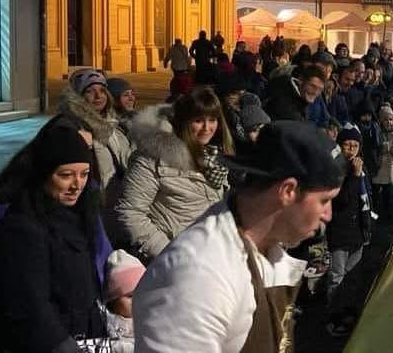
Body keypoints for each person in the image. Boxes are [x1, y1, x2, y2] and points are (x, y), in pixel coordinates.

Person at [132, 121, 343, 352]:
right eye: (324, 201)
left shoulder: (268, 248)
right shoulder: (199, 276)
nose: (328, 215)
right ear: (288, 191)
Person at [0, 117, 109, 351]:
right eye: (66, 175)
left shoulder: (78, 215)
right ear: (43, 173)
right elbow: (29, 306)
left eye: (84, 174)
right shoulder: (22, 227)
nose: (77, 184)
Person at [114, 88, 234, 263]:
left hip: (210, 255)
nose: (207, 128)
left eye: (213, 120)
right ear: (184, 121)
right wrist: (171, 254)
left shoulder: (212, 154)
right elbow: (130, 213)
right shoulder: (151, 158)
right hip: (175, 261)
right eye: (199, 121)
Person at [325, 127, 373, 337]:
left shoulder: (362, 170)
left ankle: (347, 311)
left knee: (351, 277)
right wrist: (353, 177)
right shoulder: (335, 170)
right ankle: (332, 317)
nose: (352, 149)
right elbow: (341, 202)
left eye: (356, 145)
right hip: (339, 234)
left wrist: (368, 227)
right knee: (337, 278)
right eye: (347, 144)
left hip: (357, 233)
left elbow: (367, 200)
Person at [59, 68, 134, 202]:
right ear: (78, 96)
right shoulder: (75, 128)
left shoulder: (113, 124)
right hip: (96, 202)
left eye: (102, 90)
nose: (98, 96)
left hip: (119, 198)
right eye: (90, 91)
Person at [104, 249, 145, 352]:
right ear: (113, 301)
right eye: (130, 296)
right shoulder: (109, 326)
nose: (137, 299)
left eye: (141, 292)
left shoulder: (154, 315)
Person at [372, 105, 393, 218]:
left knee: (388, 193)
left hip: (390, 168)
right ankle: (375, 214)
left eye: (391, 119)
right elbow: (374, 147)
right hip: (379, 168)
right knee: (376, 193)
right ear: (381, 120)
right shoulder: (376, 132)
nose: (389, 122)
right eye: (385, 119)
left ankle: (388, 213)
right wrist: (384, 148)